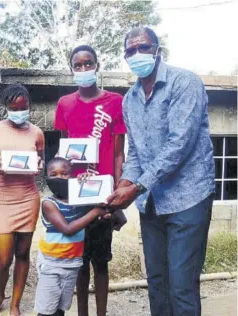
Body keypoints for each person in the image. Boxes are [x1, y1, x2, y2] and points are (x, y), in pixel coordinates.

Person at [107, 27, 215, 316]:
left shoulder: (185, 83)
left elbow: (180, 144)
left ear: (157, 50)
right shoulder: (129, 99)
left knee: (181, 285)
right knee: (156, 282)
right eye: (130, 51)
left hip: (188, 197)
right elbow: (136, 153)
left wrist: (136, 187)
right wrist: (124, 184)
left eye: (142, 47)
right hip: (152, 202)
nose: (136, 55)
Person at [54, 45, 127, 316]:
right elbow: (63, 155)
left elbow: (119, 153)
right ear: (71, 69)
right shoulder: (64, 104)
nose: (84, 69)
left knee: (101, 262)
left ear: (97, 65)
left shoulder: (115, 102)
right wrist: (63, 192)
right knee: (79, 262)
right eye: (78, 65)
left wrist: (118, 196)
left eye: (88, 64)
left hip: (103, 193)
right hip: (77, 194)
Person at [0, 84, 44, 316]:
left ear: (28, 105)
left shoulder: (37, 132)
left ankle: (15, 304)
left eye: (23, 106)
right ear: (6, 107)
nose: (19, 111)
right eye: (14, 107)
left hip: (28, 197)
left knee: (23, 254)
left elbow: (41, 162)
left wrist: (39, 165)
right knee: (4, 258)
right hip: (4, 197)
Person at [35, 157, 109, 316]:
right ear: (47, 178)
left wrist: (85, 182)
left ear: (72, 176)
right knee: (47, 310)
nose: (59, 177)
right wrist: (95, 212)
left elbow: (98, 198)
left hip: (72, 264)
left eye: (64, 173)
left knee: (60, 309)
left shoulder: (79, 199)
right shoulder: (49, 203)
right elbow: (68, 229)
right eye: (53, 174)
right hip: (51, 265)